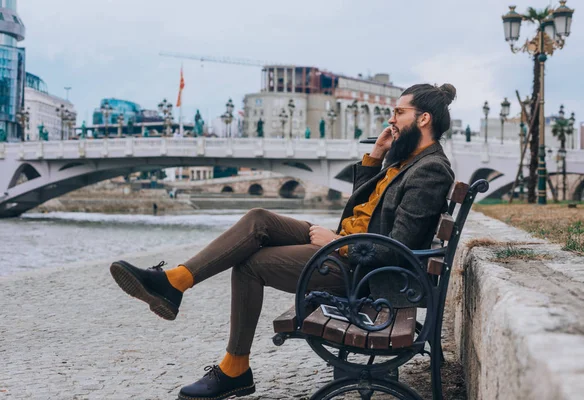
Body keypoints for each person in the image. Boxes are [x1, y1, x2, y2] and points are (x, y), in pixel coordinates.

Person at [109, 83, 457, 400]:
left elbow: (398, 247)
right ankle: (175, 282)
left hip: (362, 274)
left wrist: (338, 243)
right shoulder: (407, 159)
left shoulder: (430, 169)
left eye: (399, 113)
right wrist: (375, 158)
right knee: (259, 218)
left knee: (249, 265)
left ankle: (234, 368)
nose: (391, 120)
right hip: (346, 251)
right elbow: (366, 209)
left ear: (423, 119)